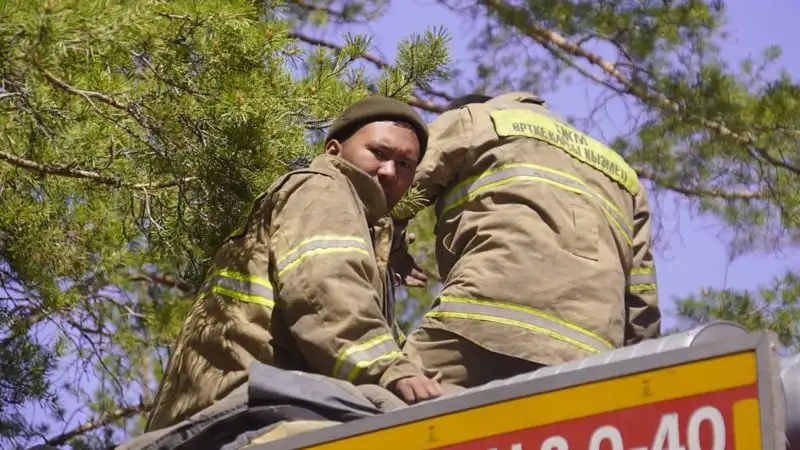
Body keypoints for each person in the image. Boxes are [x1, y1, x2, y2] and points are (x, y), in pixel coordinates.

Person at [145, 96, 444, 432]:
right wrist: (391, 370)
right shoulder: (323, 187)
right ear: (334, 151)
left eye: (406, 165)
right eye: (379, 153)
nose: (390, 171)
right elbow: (325, 291)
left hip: (257, 405)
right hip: (246, 412)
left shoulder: (359, 220)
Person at [392, 92, 662, 389]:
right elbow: (642, 302)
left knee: (389, 403)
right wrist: (632, 384)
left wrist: (392, 252)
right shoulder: (624, 177)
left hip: (479, 325)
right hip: (591, 358)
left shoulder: (475, 120)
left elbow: (386, 189)